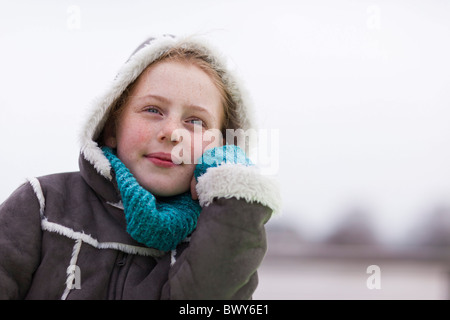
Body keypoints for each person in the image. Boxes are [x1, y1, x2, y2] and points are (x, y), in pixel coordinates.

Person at [0, 34, 281, 300]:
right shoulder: (42, 204)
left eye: (195, 122)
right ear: (111, 127)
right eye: (153, 110)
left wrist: (233, 195)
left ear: (220, 146)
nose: (172, 132)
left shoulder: (216, 232)